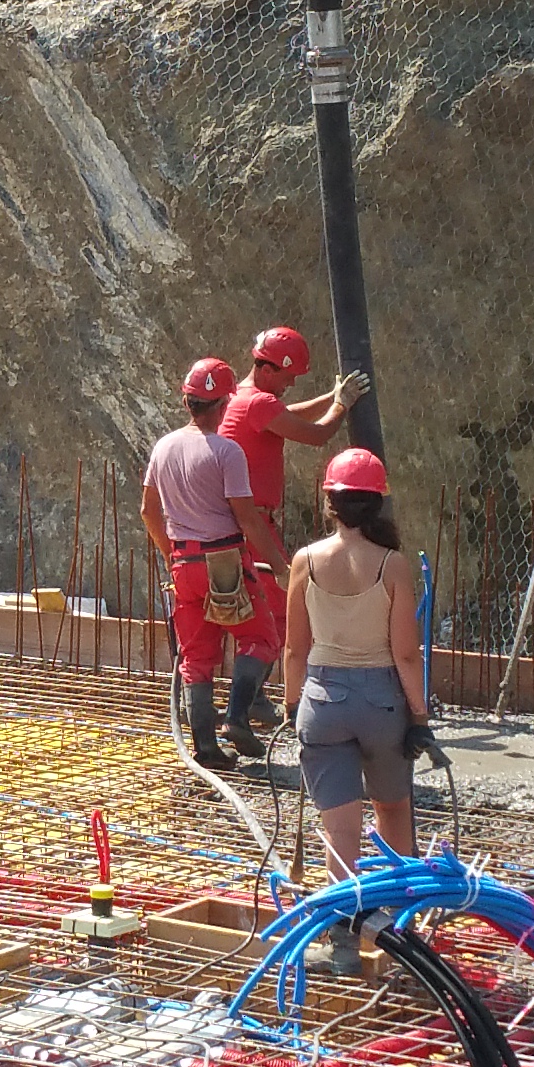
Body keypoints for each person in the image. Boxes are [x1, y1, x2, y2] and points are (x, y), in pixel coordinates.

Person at [213, 325, 366, 761]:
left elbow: (286, 410)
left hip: (239, 525)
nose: (291, 382)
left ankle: (250, 701)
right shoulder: (259, 403)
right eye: (288, 374)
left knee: (262, 616)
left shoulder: (243, 399)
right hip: (253, 525)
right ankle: (238, 715)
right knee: (276, 614)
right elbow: (315, 433)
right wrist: (341, 405)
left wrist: (330, 396)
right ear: (271, 368)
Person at [281, 446, 437, 866]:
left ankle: (344, 925)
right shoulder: (392, 564)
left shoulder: (305, 561)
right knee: (393, 811)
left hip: (322, 702)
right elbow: (405, 654)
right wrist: (419, 718)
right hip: (381, 705)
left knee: (340, 828)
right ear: (377, 503)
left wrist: (292, 704)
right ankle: (397, 908)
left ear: (329, 501)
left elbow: (295, 647)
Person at [141, 356, 260, 771]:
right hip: (223, 558)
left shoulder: (164, 447)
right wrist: (281, 567)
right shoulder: (227, 452)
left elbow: (148, 512)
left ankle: (206, 749)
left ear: (189, 401)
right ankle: (237, 717)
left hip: (183, 560)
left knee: (196, 655)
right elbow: (246, 517)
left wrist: (169, 554)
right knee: (261, 637)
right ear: (224, 404)